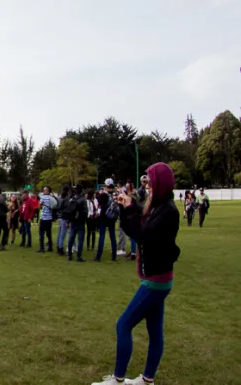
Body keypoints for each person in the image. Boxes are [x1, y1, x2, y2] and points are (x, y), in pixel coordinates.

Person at [90, 163, 180, 385]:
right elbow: (139, 221)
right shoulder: (159, 206)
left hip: (155, 282)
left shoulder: (168, 211)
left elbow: (142, 234)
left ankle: (118, 379)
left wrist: (129, 209)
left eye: (150, 181)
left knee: (123, 325)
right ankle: (147, 380)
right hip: (158, 278)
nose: (147, 185)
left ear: (160, 182)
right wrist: (127, 205)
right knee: (155, 331)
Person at [94, 179, 118, 262]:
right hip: (112, 218)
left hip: (103, 217)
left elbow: (99, 203)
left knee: (102, 236)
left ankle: (98, 256)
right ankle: (114, 256)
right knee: (112, 237)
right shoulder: (114, 195)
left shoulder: (104, 195)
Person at [67, 185, 88, 262]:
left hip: (73, 221)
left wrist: (69, 220)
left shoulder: (72, 199)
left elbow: (68, 210)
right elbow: (86, 211)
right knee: (80, 240)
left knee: (71, 238)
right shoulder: (83, 199)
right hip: (80, 222)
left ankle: (69, 254)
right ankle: (79, 256)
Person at [37, 186, 56, 253]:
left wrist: (42, 205)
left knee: (41, 233)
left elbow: (39, 207)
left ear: (47, 191)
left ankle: (42, 248)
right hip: (49, 218)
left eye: (44, 190)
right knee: (49, 233)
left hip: (44, 218)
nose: (43, 191)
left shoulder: (43, 197)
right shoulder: (52, 198)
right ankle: (50, 247)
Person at [57, 185, 72, 256]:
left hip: (59, 216)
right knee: (63, 234)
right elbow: (68, 209)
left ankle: (58, 247)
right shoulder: (67, 198)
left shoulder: (60, 197)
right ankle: (60, 249)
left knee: (60, 233)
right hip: (64, 217)